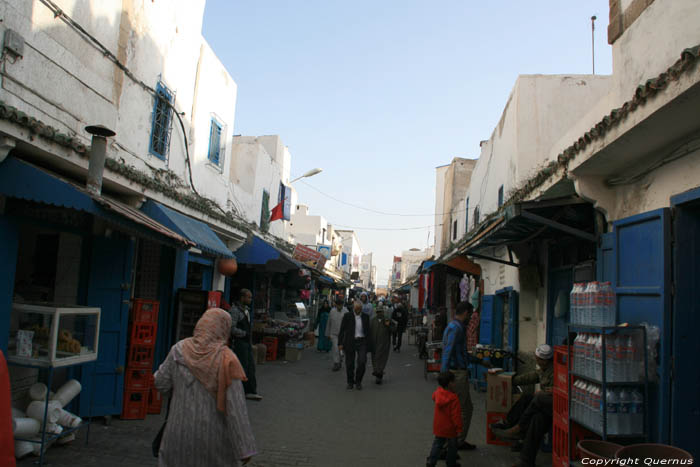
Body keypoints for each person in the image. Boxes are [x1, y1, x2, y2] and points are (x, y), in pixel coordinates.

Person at [154, 308, 257, 466]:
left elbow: (160, 382)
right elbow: (235, 409)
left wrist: (180, 392)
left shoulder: (178, 350)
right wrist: (244, 448)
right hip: (212, 442)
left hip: (176, 436)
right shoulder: (227, 360)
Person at [491, 344, 554, 466]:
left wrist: (546, 392)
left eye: (538, 360)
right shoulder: (544, 370)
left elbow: (552, 394)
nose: (537, 362)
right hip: (542, 408)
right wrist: (509, 380)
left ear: (544, 361)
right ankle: (509, 424)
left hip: (552, 410)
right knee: (527, 398)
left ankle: (519, 429)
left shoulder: (554, 372)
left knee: (538, 411)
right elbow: (530, 377)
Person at [441, 301, 490, 450]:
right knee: (461, 410)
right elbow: (448, 351)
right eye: (470, 315)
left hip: (457, 372)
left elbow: (461, 354)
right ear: (466, 313)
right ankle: (451, 444)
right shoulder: (457, 329)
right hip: (457, 374)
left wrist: (480, 361)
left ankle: (458, 441)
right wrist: (444, 374)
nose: (471, 319)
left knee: (466, 408)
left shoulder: (455, 326)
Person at [229, 289, 262, 401]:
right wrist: (244, 334)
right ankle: (240, 391)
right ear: (242, 297)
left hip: (246, 343)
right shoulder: (234, 311)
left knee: (250, 367)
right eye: (249, 297)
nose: (250, 299)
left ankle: (250, 391)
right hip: (239, 343)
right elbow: (231, 328)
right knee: (242, 367)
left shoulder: (246, 311)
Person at [426, 371, 463, 467]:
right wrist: (459, 429)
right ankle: (451, 463)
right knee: (452, 447)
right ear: (450, 383)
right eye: (454, 382)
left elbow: (433, 397)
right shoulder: (454, 398)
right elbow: (456, 416)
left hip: (438, 426)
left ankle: (431, 461)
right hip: (450, 428)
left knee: (437, 444)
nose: (455, 384)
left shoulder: (438, 392)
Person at [337, 302, 373, 390]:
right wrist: (340, 343)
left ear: (361, 309)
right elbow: (342, 330)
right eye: (356, 309)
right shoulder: (347, 316)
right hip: (350, 341)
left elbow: (368, 332)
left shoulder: (365, 317)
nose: (357, 311)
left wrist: (370, 345)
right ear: (353, 308)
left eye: (359, 309)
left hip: (362, 342)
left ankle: (358, 381)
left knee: (362, 361)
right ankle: (350, 382)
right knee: (349, 363)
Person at [369, 304, 395, 384]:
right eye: (378, 312)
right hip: (374, 343)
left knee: (382, 359)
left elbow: (393, 330)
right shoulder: (373, 321)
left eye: (381, 312)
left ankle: (379, 374)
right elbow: (369, 331)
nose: (380, 313)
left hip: (384, 343)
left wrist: (388, 325)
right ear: (376, 312)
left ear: (383, 312)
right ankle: (377, 371)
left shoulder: (387, 320)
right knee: (375, 358)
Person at [326, 297, 348, 371]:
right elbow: (329, 323)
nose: (339, 306)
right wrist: (328, 333)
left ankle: (340, 360)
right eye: (338, 305)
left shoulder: (346, 311)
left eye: (340, 305)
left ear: (342, 305)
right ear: (336, 305)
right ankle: (336, 363)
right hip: (334, 334)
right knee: (335, 348)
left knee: (341, 350)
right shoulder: (332, 311)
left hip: (343, 334)